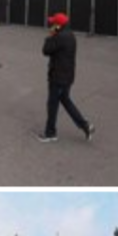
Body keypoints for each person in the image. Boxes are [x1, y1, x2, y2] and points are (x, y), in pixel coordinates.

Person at [37, 13, 95, 143]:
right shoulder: (70, 35)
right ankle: (85, 125)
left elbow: (46, 50)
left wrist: (50, 36)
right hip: (67, 76)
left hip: (58, 77)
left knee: (52, 105)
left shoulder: (59, 37)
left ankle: (50, 133)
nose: (51, 25)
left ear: (59, 25)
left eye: (53, 24)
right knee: (65, 101)